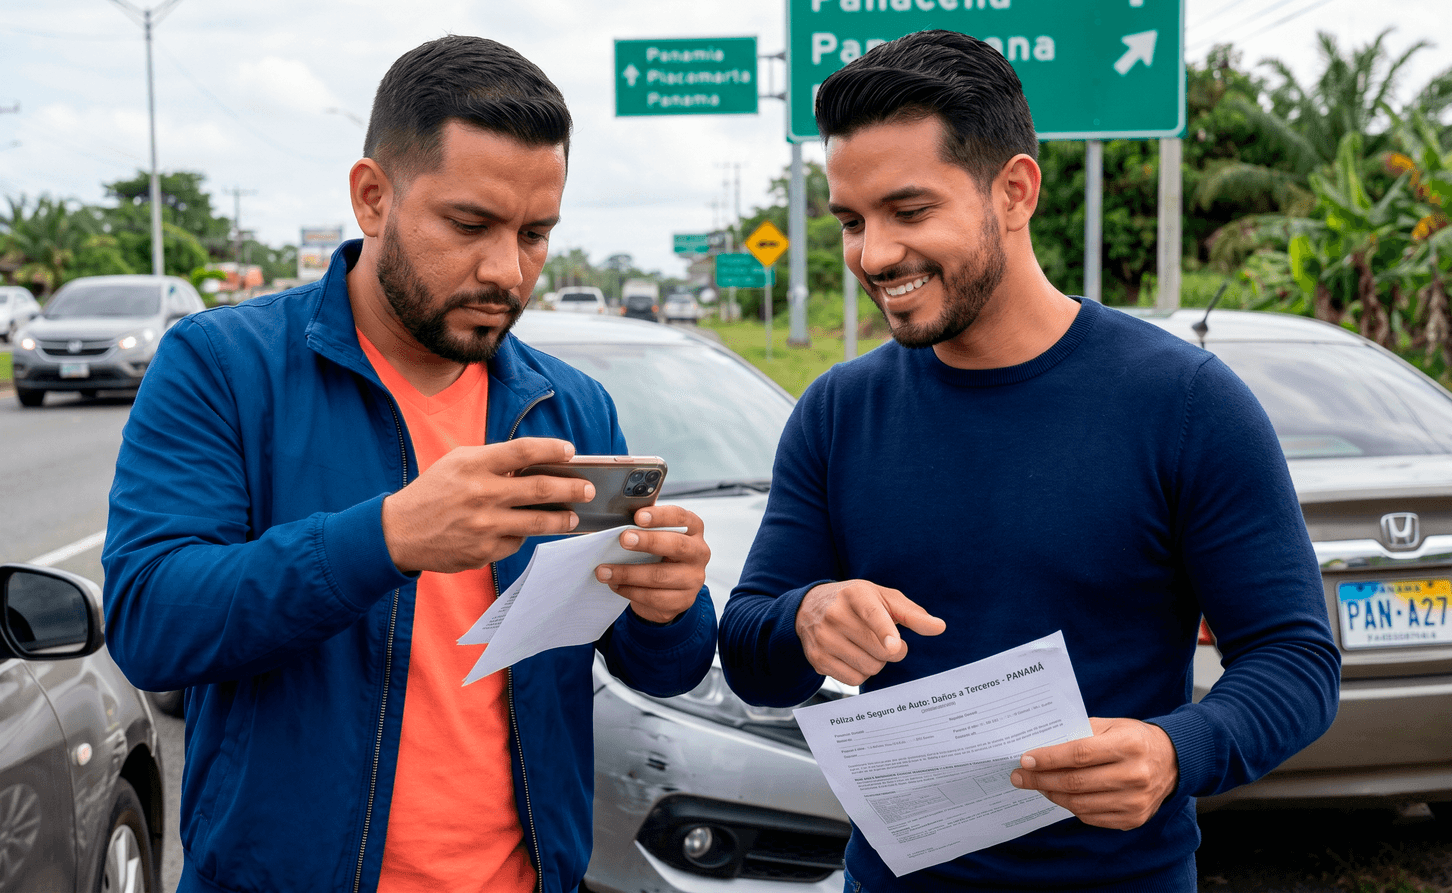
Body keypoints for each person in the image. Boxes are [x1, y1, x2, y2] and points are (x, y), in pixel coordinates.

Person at [716, 29, 1339, 893]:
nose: (874, 255)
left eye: (909, 210)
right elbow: (749, 651)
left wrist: (1174, 748)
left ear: (1013, 191)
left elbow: (1296, 658)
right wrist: (807, 614)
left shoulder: (1184, 402)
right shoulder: (838, 410)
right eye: (853, 222)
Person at [102, 35, 716, 893]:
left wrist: (672, 607)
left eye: (535, 233)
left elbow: (663, 665)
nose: (507, 269)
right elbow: (149, 623)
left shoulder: (570, 407)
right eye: (470, 225)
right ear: (373, 197)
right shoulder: (221, 367)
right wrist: (386, 537)